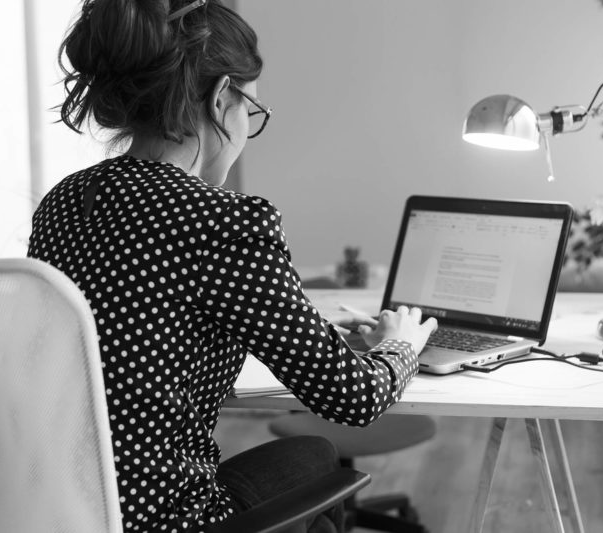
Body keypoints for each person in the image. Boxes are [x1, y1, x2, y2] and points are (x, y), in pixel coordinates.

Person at [27, 1, 437, 531]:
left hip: (62, 511)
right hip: (166, 520)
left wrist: (300, 331)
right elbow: (351, 399)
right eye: (252, 111)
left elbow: (133, 329)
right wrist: (401, 344)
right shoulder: (226, 220)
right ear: (222, 98)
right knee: (313, 455)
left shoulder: (64, 201)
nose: (247, 129)